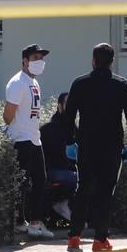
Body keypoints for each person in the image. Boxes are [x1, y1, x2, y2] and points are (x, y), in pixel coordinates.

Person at [62, 42, 127, 252]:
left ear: (93, 60)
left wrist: (70, 141)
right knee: (105, 192)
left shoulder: (80, 84)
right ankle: (100, 239)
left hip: (86, 145)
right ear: (112, 61)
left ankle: (74, 236)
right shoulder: (122, 85)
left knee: (82, 189)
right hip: (111, 147)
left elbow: (69, 116)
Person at [4, 43, 52, 239]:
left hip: (34, 139)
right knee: (22, 183)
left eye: (41, 58)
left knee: (40, 181)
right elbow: (8, 115)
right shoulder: (17, 83)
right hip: (21, 139)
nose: (39, 62)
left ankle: (35, 222)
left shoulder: (34, 83)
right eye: (35, 58)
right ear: (24, 60)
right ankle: (19, 222)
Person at [40, 91, 77, 222]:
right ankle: (63, 205)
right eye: (68, 104)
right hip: (54, 170)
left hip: (69, 170)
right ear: (60, 106)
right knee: (78, 178)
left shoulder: (74, 128)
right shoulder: (49, 129)